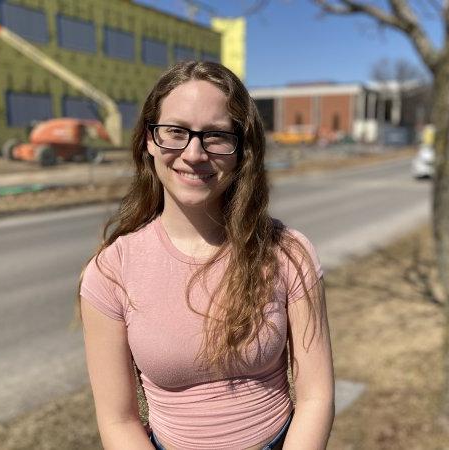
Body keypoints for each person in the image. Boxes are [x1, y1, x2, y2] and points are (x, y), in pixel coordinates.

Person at [79, 61, 334, 450]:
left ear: (241, 148)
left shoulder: (287, 252)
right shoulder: (111, 271)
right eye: (176, 131)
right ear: (149, 140)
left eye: (215, 135)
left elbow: (316, 396)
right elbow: (118, 419)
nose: (194, 153)